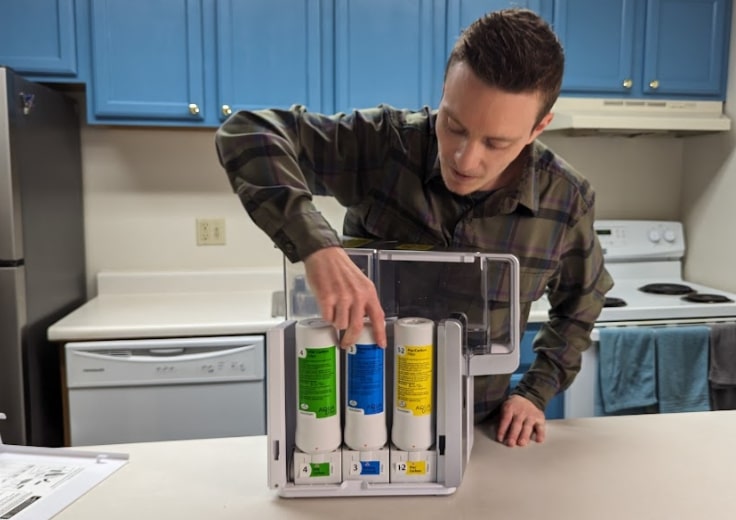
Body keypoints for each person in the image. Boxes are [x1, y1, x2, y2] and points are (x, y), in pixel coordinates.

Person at [215, 8, 613, 448]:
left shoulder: (565, 200)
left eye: (495, 143)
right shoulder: (387, 146)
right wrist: (317, 248)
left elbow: (582, 303)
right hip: (355, 425)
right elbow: (247, 133)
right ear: (444, 91)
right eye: (453, 125)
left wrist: (536, 392)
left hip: (478, 433)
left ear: (539, 128)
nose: (464, 159)